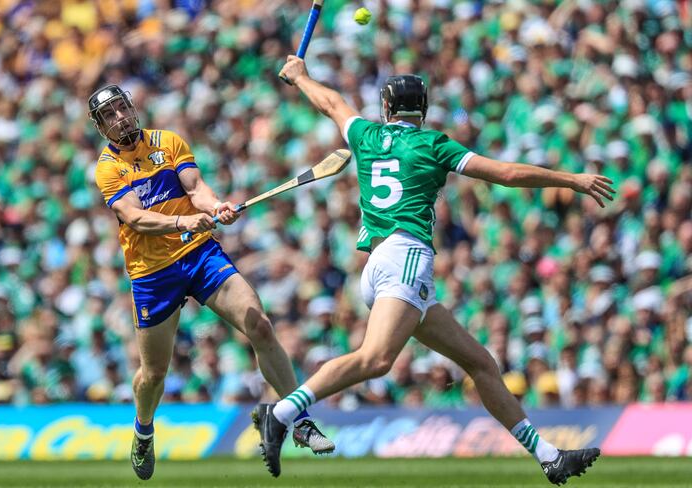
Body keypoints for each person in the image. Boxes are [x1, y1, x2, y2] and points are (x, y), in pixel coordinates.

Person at [253, 57, 612, 484]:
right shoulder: (434, 144)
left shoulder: (365, 134)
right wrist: (571, 179)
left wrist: (300, 77)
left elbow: (330, 102)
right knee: (376, 359)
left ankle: (550, 457)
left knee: (480, 363)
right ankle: (282, 413)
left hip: (380, 264)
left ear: (386, 107)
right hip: (406, 257)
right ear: (422, 108)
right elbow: (507, 173)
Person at [88, 84, 334, 480]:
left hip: (199, 254)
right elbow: (135, 218)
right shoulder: (108, 167)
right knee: (153, 374)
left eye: (121, 108)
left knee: (260, 325)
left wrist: (215, 205)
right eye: (109, 115)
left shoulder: (167, 142)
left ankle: (299, 419)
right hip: (152, 273)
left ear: (132, 107)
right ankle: (144, 431)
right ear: (101, 127)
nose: (119, 118)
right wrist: (184, 220)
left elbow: (195, 188)